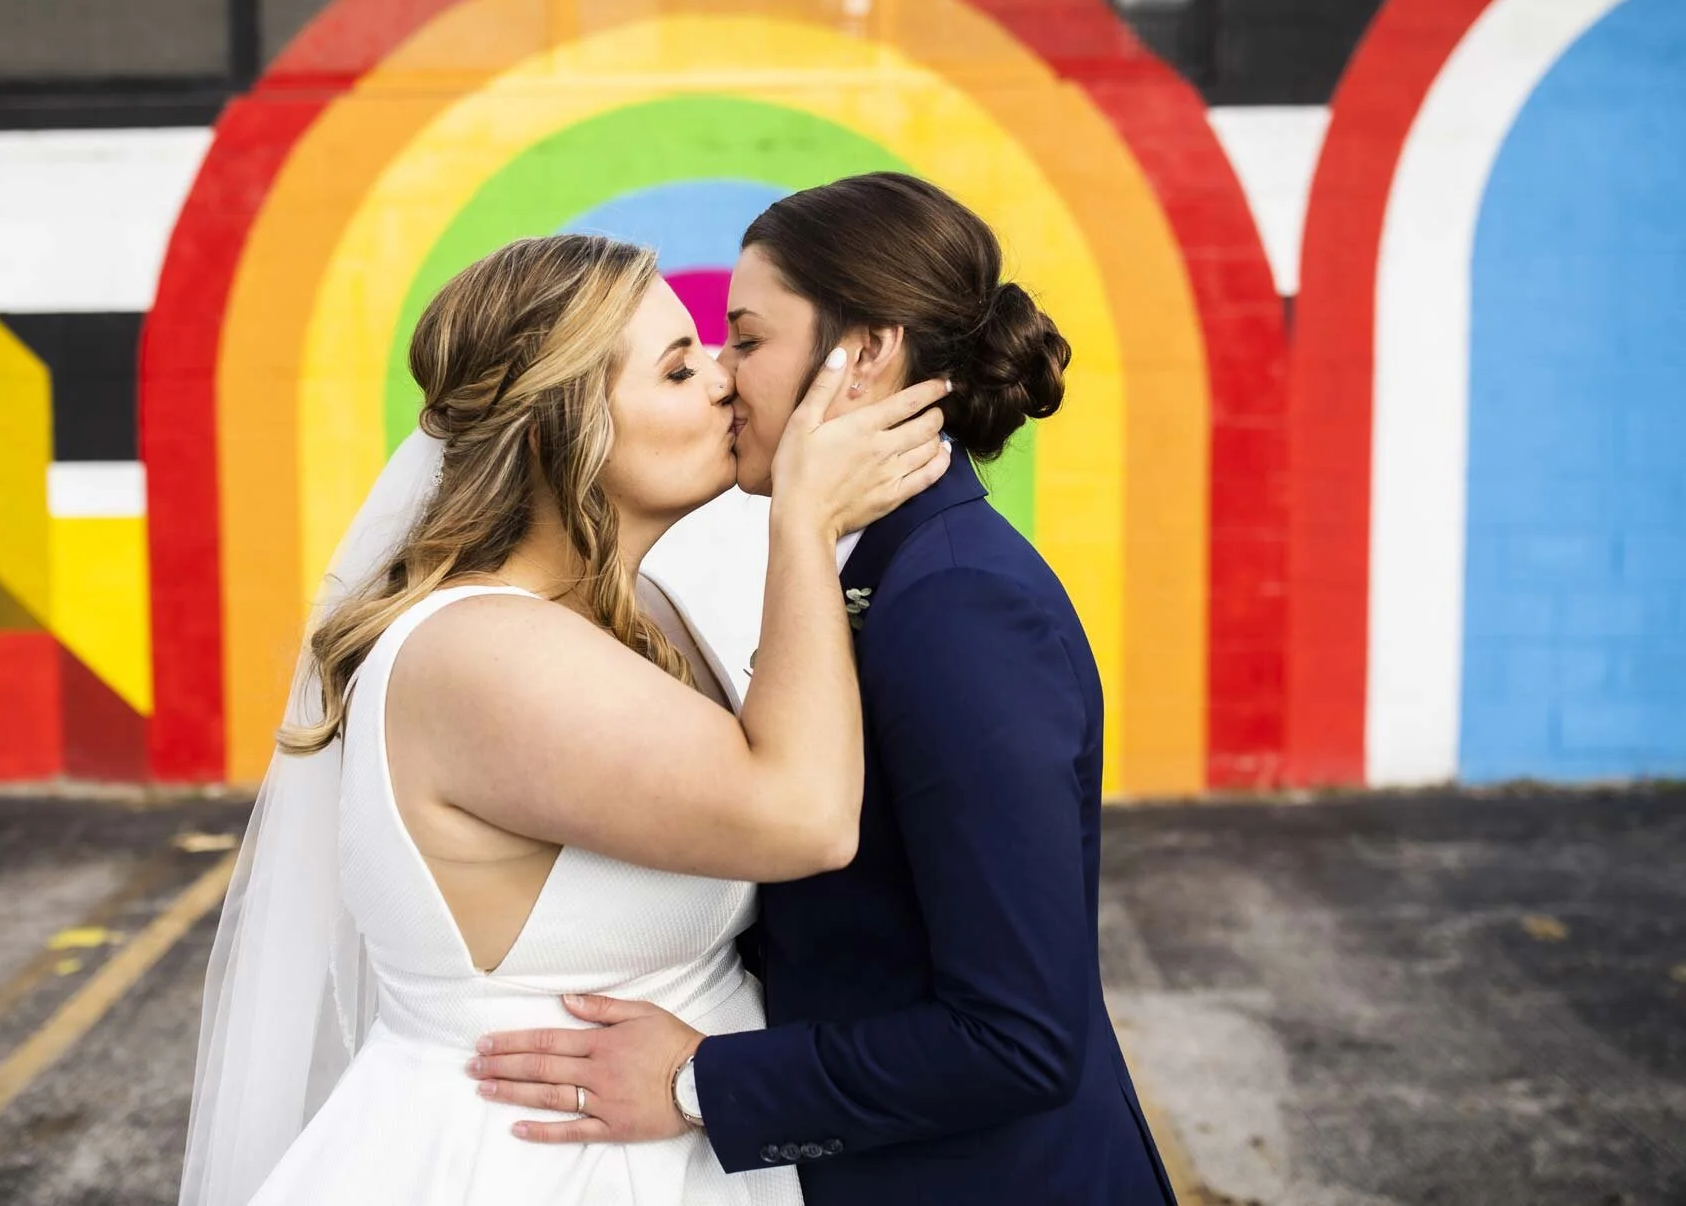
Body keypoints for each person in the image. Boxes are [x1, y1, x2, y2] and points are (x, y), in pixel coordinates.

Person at [179, 231, 951, 1206]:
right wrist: (801, 521)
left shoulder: (636, 609)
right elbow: (802, 816)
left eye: (712, 352)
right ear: (558, 430)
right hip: (535, 1160)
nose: (722, 382)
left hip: (666, 1145)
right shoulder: (481, 652)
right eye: (677, 368)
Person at [470, 173, 1178, 1206]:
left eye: (746, 341)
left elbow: (1018, 1038)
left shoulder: (958, 603)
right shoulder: (870, 570)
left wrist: (692, 1080)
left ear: (864, 355)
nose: (721, 376)